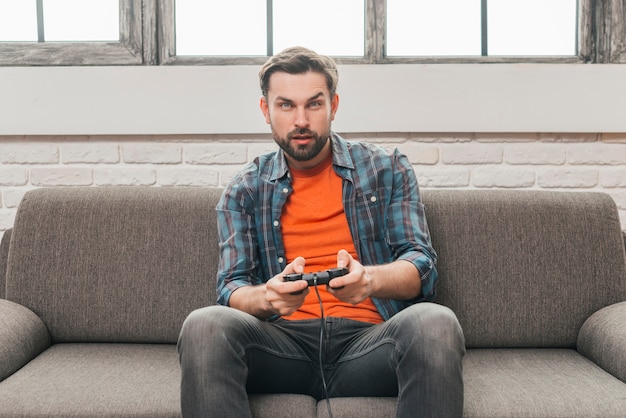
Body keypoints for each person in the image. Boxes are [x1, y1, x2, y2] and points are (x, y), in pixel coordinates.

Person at [177, 46, 465, 418]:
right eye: (286, 106)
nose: (301, 120)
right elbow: (230, 288)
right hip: (283, 348)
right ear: (266, 110)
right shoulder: (245, 188)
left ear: (334, 105)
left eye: (314, 104)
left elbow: (421, 267)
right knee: (204, 325)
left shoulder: (387, 168)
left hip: (369, 347)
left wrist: (370, 281)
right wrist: (268, 297)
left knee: (435, 322)